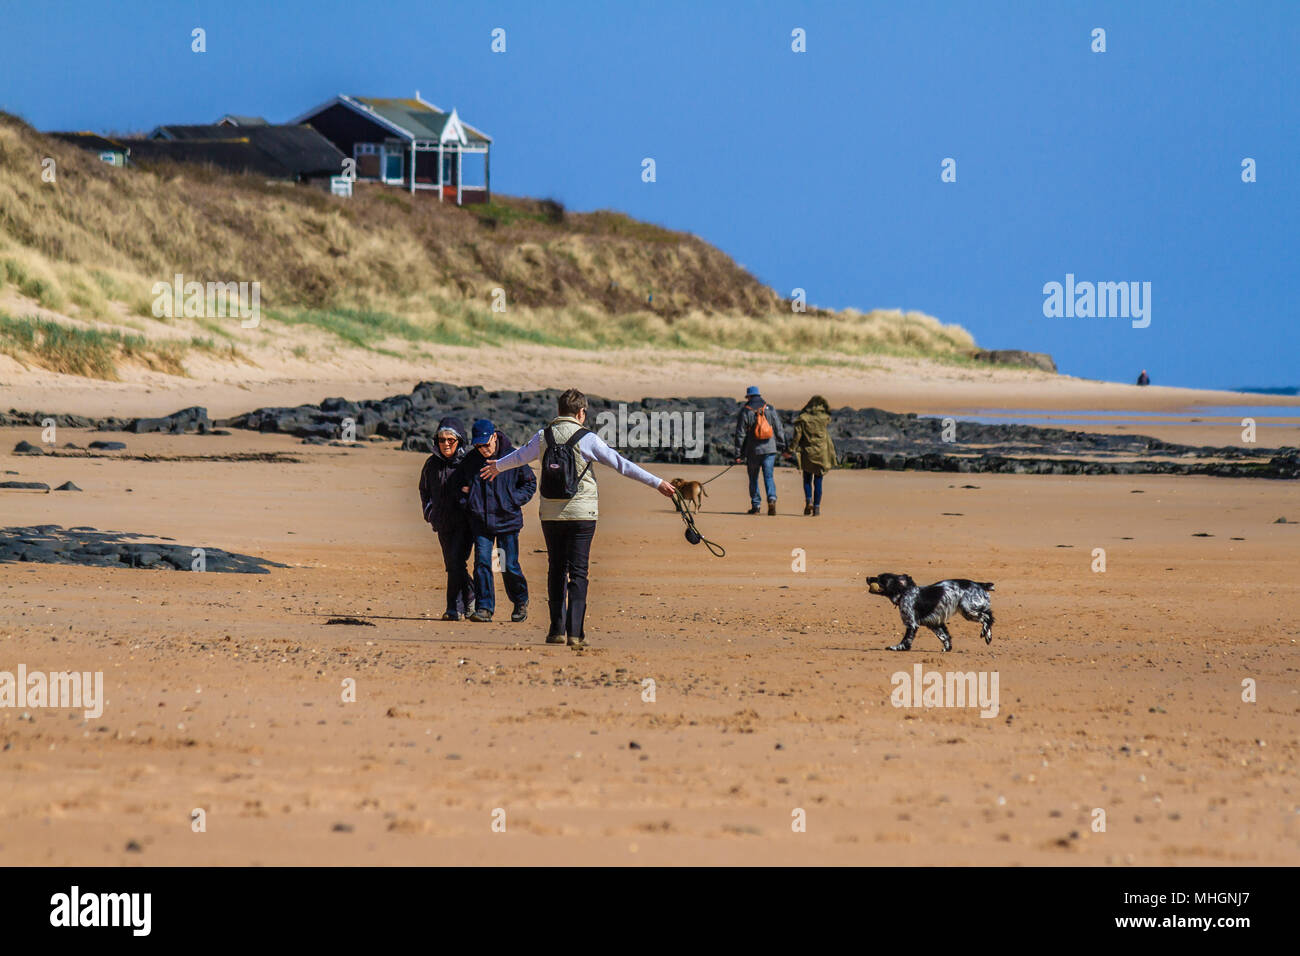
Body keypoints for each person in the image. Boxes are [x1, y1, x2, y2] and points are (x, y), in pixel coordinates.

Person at [479, 388, 675, 648]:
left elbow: (518, 457)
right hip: (582, 514)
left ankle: (555, 630)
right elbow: (621, 464)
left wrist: (497, 465)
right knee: (579, 573)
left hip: (551, 514)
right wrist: (657, 483)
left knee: (556, 569)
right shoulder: (588, 438)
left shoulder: (543, 436)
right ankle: (575, 633)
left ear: (558, 412)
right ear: (581, 413)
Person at [456, 418, 535, 623]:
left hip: (508, 521)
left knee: (508, 565)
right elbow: (459, 487)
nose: (483, 449)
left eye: (486, 444)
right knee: (482, 563)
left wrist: (512, 500)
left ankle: (520, 601)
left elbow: (529, 484)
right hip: (481, 523)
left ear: (494, 436)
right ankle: (484, 608)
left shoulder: (514, 456)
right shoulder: (471, 461)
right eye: (478, 445)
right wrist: (468, 502)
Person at [417, 417, 475, 620]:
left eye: (451, 440)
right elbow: (424, 490)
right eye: (442, 440)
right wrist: (429, 512)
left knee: (457, 562)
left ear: (459, 440)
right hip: (442, 522)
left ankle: (454, 608)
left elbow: (477, 489)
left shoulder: (468, 462)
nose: (446, 444)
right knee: (452, 565)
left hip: (464, 523)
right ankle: (470, 594)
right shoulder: (431, 464)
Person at [733, 385, 786, 515]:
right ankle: (772, 499)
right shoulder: (770, 408)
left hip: (753, 451)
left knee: (753, 478)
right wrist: (781, 444)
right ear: (759, 395)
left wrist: (738, 454)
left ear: (749, 397)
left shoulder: (745, 411)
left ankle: (756, 506)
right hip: (770, 449)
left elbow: (740, 434)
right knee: (768, 476)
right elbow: (779, 428)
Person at [786, 395, 837, 516]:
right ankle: (817, 507)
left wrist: (790, 450)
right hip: (821, 453)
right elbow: (828, 414)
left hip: (807, 452)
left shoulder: (802, 418)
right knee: (818, 481)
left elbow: (797, 437)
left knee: (807, 479)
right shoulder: (825, 418)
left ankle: (809, 500)